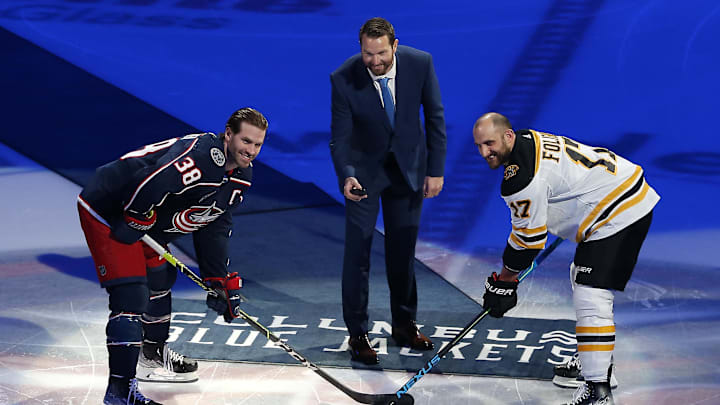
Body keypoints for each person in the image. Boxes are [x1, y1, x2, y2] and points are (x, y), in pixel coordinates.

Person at [77, 108, 268, 405]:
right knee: (131, 296)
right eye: (246, 141)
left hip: (143, 218)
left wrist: (216, 278)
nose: (251, 151)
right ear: (228, 134)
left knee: (160, 277)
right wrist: (138, 217)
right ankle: (119, 394)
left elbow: (215, 224)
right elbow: (151, 181)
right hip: (110, 208)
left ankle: (151, 357)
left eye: (257, 144)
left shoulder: (241, 176)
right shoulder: (203, 156)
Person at [473, 112, 659, 405]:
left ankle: (597, 390)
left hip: (619, 212)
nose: (485, 152)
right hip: (618, 192)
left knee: (591, 292)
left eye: (489, 143)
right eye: (479, 146)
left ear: (508, 136)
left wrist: (505, 281)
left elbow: (529, 241)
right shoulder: (525, 139)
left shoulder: (521, 177)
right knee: (581, 275)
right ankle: (593, 359)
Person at [329, 17, 447, 365]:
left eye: (381, 53)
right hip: (364, 174)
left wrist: (436, 171)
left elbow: (435, 118)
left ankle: (404, 324)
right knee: (358, 255)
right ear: (360, 48)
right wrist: (347, 175)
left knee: (403, 251)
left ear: (395, 45)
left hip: (408, 171)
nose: (375, 61)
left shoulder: (420, 63)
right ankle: (358, 332)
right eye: (368, 54)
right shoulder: (343, 77)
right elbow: (341, 137)